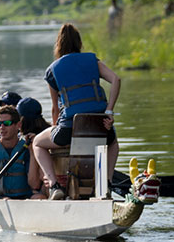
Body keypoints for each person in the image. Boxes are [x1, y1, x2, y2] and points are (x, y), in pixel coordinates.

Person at [33, 23, 120, 200]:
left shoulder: (52, 70)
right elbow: (116, 79)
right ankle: (106, 185)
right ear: (79, 43)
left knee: (37, 142)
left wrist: (55, 126)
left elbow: (55, 109)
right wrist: (109, 111)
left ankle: (55, 185)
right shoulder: (93, 61)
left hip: (68, 129)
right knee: (113, 143)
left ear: (58, 45)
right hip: (99, 125)